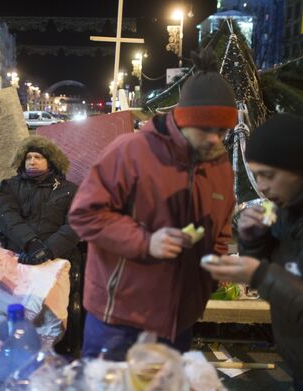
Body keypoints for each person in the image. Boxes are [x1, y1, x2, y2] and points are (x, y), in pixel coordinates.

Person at [69, 48, 238, 359]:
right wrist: (147, 242)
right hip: (119, 319)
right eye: (205, 129)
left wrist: (217, 267)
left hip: (178, 321)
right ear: (182, 119)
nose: (215, 140)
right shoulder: (131, 151)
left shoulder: (220, 167)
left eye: (222, 130)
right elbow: (84, 215)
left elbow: (221, 229)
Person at [202, 113, 303, 389]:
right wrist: (251, 239)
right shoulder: (284, 210)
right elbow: (272, 267)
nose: (262, 187)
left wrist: (258, 274)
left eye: (268, 175)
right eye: (256, 175)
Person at [0, 134, 79, 265]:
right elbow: (7, 217)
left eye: (38, 157)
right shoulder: (9, 186)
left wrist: (48, 250)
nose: (32, 162)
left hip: (57, 260)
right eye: (28, 157)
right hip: (19, 257)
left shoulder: (70, 190)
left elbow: (75, 225)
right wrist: (30, 243)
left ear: (51, 161)